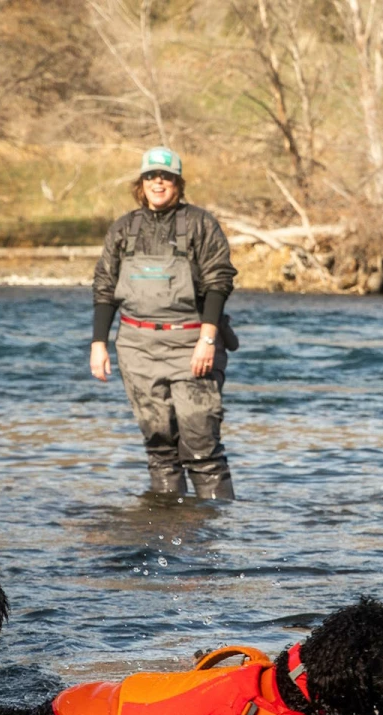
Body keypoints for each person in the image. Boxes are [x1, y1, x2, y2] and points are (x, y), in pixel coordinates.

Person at [91, 147, 238, 500]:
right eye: (151, 176)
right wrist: (99, 342)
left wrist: (207, 338)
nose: (158, 182)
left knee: (201, 445)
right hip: (136, 347)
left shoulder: (201, 224)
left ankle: (212, 536)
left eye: (166, 177)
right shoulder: (124, 228)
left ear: (178, 183)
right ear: (141, 184)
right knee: (159, 448)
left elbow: (219, 280)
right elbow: (104, 286)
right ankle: (166, 531)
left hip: (191, 344)